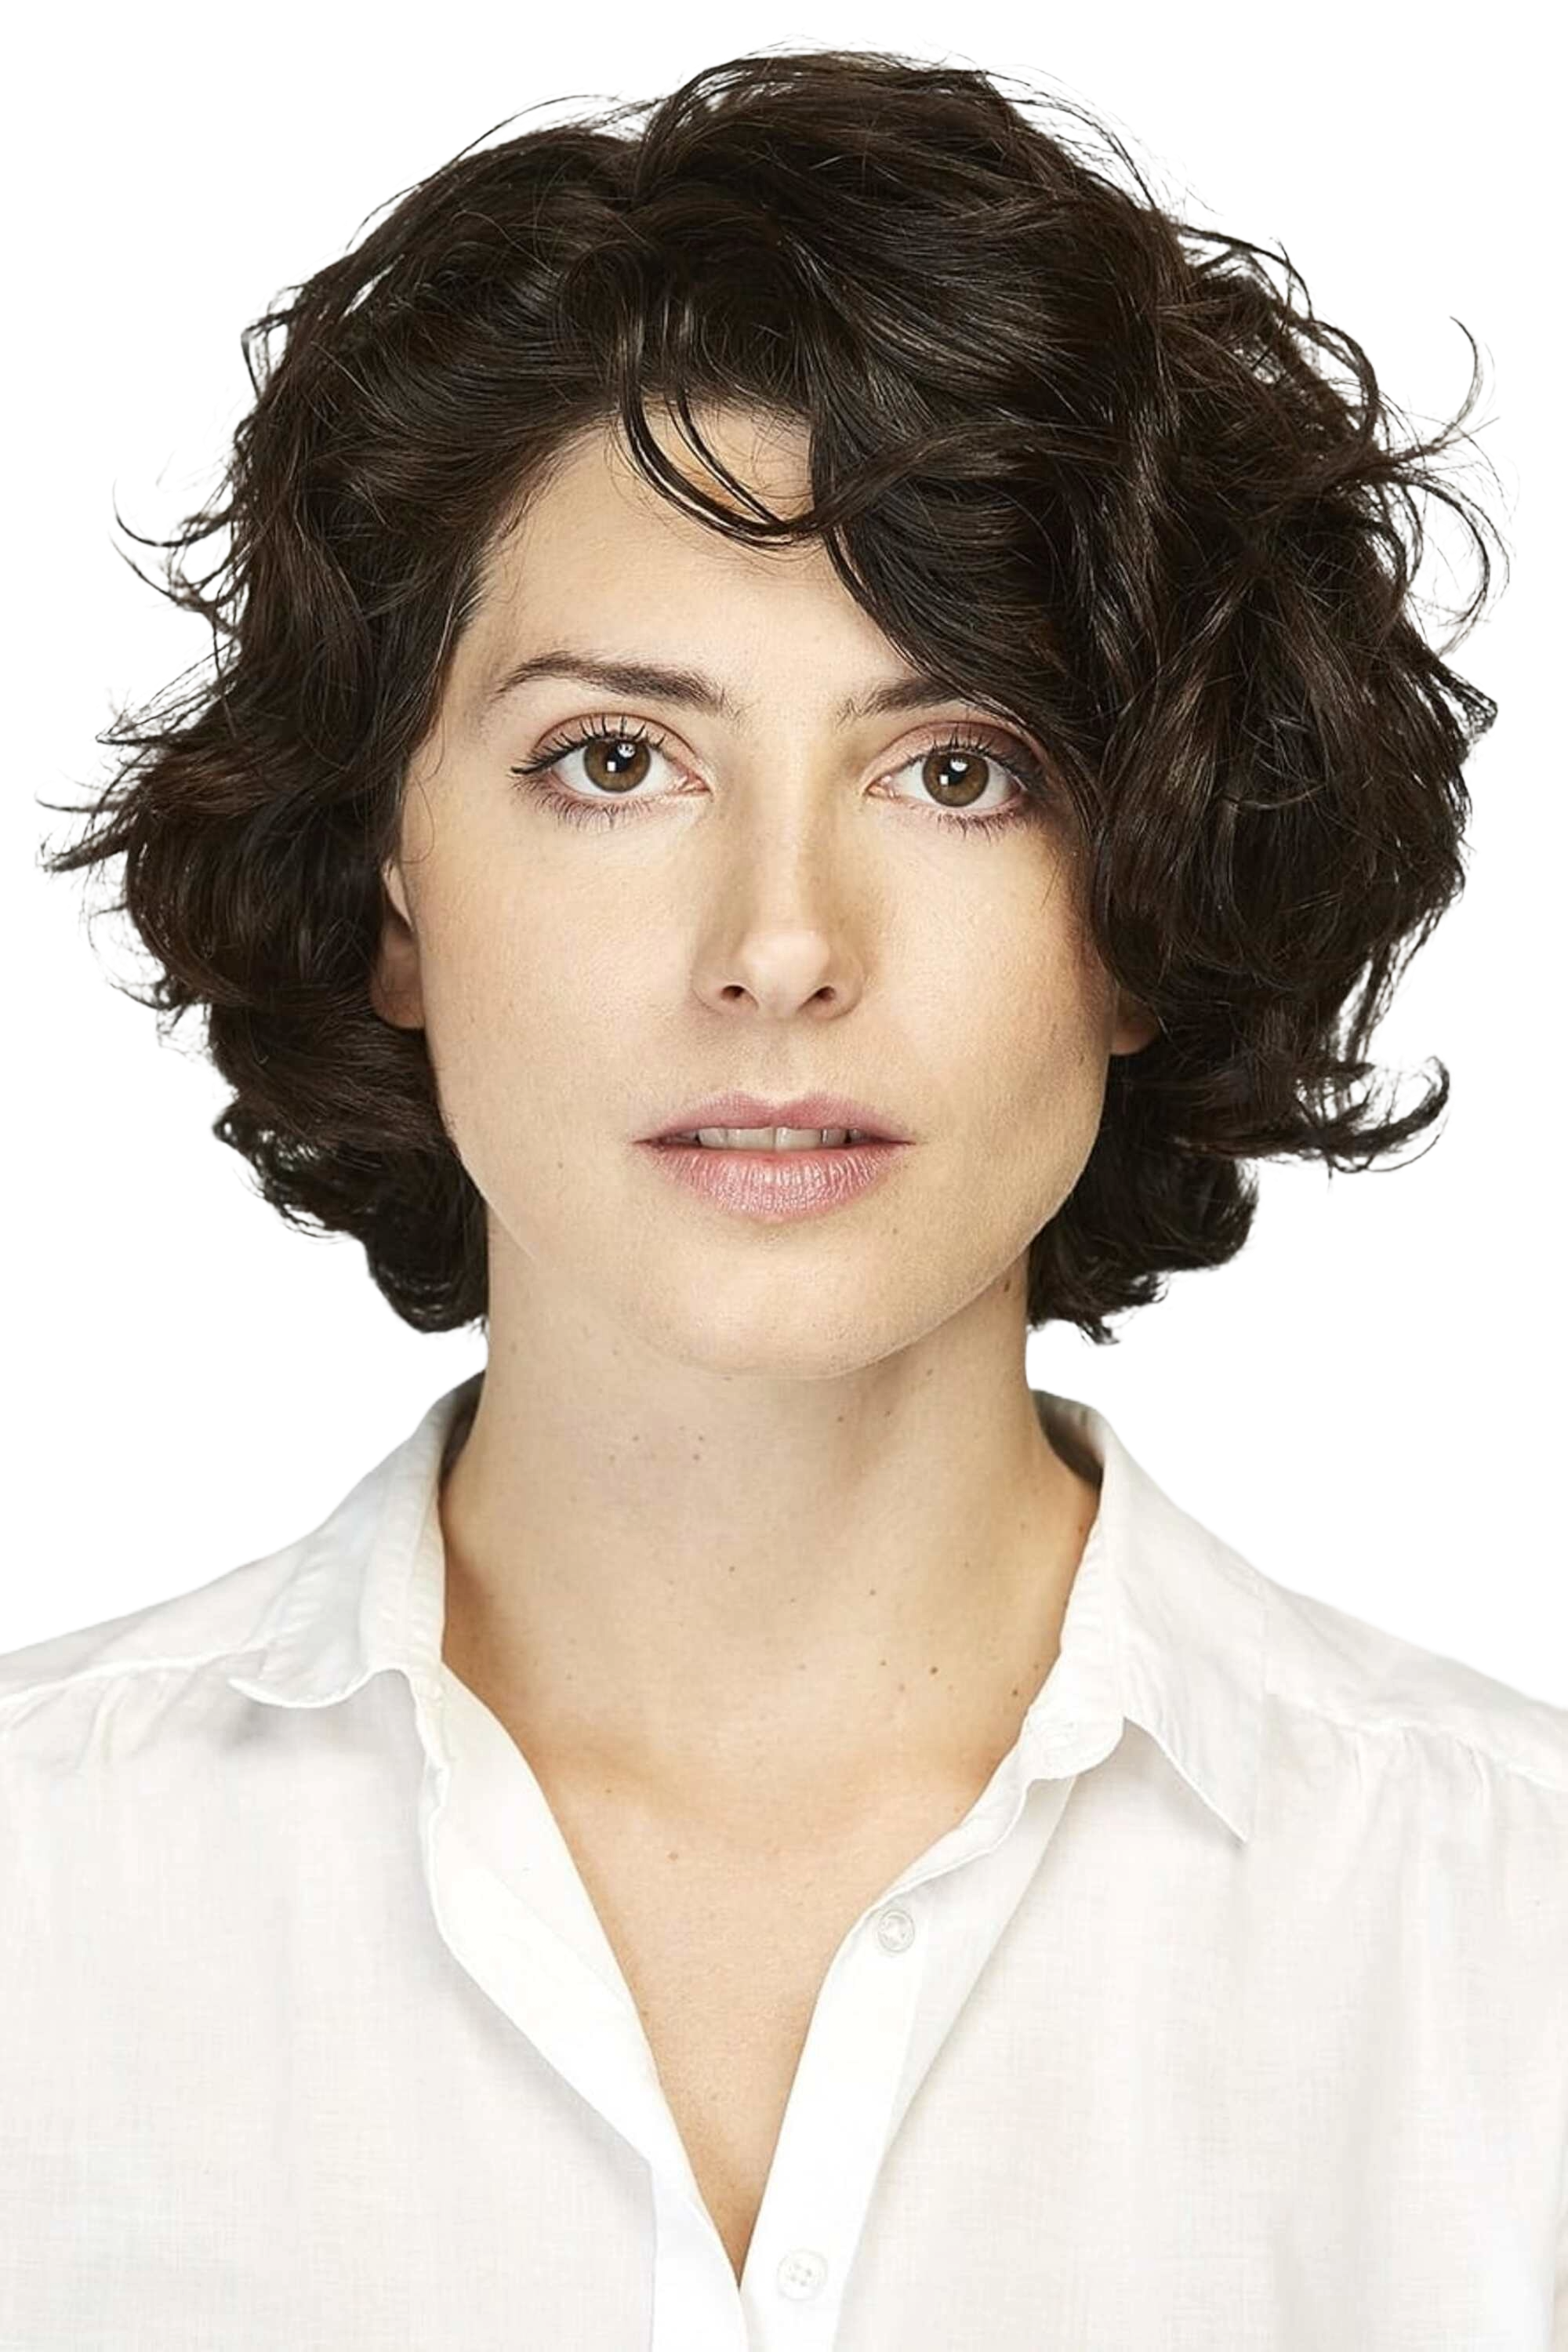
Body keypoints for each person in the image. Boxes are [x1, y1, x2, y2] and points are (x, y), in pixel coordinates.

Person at [8, 31, 1559, 2350]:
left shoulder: (1514, 1927)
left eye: (959, 771)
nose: (782, 947)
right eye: (613, 758)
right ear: (387, 878)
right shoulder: (33, 1889)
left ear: (1152, 896)